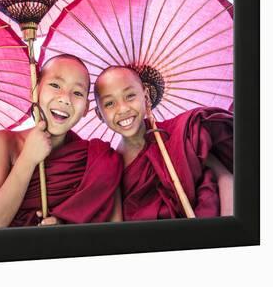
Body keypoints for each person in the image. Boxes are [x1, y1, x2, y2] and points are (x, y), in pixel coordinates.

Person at [0, 54, 123, 228]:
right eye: (55, 85)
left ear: (86, 108)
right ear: (35, 91)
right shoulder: (6, 141)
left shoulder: (97, 159)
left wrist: (65, 225)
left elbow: (115, 230)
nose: (65, 99)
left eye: (77, 93)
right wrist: (28, 158)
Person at [93, 65, 233, 221]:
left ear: (145, 97)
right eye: (109, 103)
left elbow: (226, 178)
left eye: (130, 96)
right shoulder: (110, 167)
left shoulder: (179, 134)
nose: (123, 109)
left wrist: (226, 229)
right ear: (99, 114)